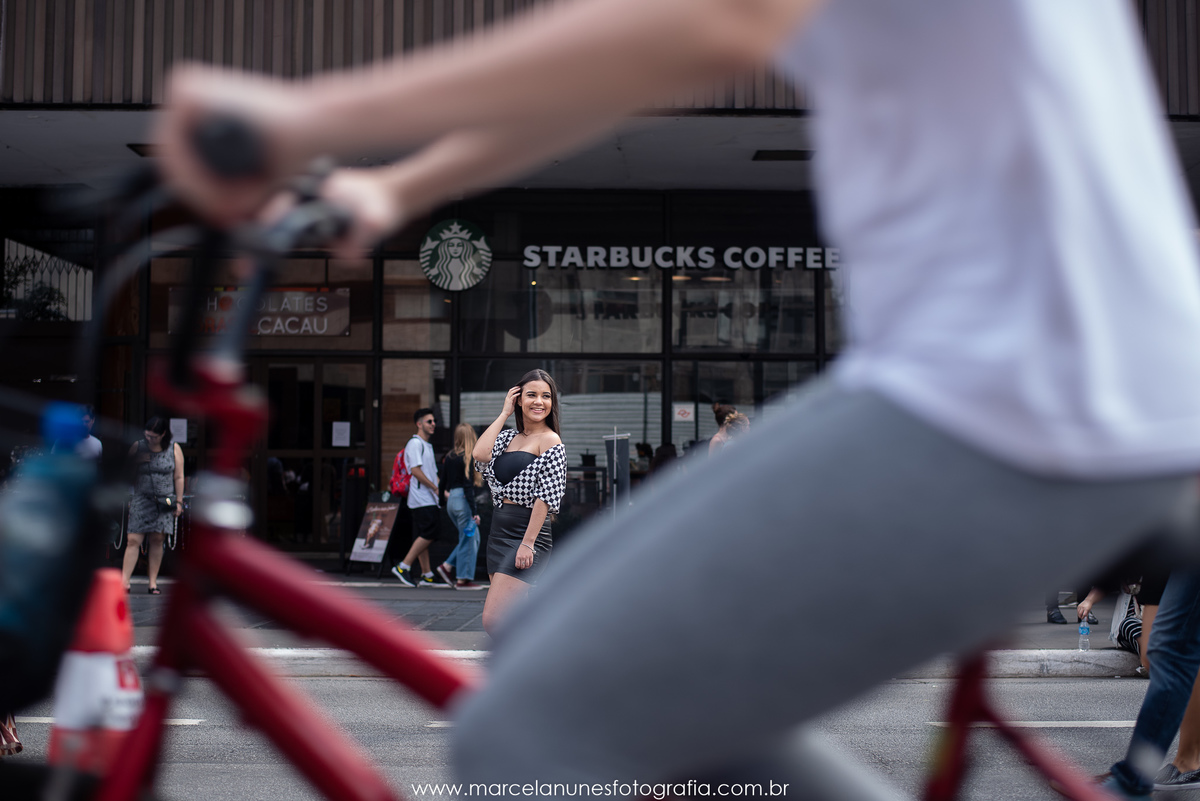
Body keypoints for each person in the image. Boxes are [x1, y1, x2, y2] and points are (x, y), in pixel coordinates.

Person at [154, 0, 1200, 793]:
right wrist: (398, 185)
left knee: (522, 728)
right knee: (535, 644)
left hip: (1031, 398)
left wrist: (307, 116)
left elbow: (709, 19)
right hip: (1040, 384)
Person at [471, 370, 566, 637]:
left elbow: (546, 496)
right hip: (499, 533)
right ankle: (538, 668)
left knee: (494, 620)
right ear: (518, 399)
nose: (539, 401)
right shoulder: (506, 437)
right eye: (532, 395)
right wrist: (503, 413)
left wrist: (528, 543)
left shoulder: (550, 440)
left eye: (546, 396)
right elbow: (479, 455)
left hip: (526, 534)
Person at [122, 417, 184, 595]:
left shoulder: (174, 448)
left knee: (158, 540)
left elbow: (179, 476)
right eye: (147, 436)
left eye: (154, 437)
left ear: (163, 434)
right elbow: (125, 473)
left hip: (164, 501)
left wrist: (178, 501)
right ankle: (124, 581)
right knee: (133, 539)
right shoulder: (138, 446)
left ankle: (152, 582)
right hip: (141, 498)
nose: (150, 439)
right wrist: (137, 461)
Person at [390, 408, 449, 588]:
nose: (433, 425)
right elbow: (415, 471)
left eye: (434, 422)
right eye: (429, 421)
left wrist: (441, 490)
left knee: (426, 533)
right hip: (421, 498)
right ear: (419, 424)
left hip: (429, 497)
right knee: (431, 532)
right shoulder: (414, 444)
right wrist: (435, 489)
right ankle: (403, 566)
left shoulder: (426, 445)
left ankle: (427, 574)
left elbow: (432, 473)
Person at [437, 423, 486, 590]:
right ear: (471, 437)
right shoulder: (467, 456)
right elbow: (468, 486)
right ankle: (462, 579)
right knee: (469, 538)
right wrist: (475, 512)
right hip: (462, 500)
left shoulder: (450, 456)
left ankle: (448, 566)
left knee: (470, 537)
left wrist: (442, 503)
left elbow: (442, 482)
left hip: (452, 499)